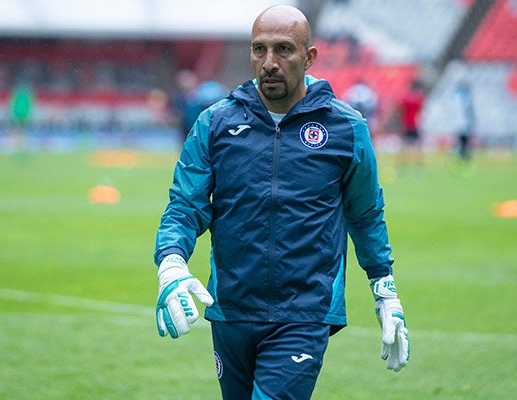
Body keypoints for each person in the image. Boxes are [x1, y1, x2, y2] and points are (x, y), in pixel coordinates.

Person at [154, 5, 410, 399]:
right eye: (260, 49)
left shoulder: (345, 128)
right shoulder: (215, 123)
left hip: (303, 314)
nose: (269, 62)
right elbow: (186, 205)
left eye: (284, 50)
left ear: (309, 57)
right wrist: (170, 261)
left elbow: (365, 214)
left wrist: (385, 290)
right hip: (231, 311)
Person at [397, 78, 425, 170]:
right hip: (415, 124)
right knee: (418, 146)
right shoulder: (419, 99)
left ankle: (402, 166)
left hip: (406, 124)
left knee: (404, 146)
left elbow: (401, 110)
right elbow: (420, 111)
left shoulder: (406, 99)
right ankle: (418, 166)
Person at [451, 80, 475, 162]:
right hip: (463, 122)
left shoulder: (458, 97)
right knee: (463, 140)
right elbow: (468, 110)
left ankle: (463, 155)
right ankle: (463, 155)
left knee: (463, 140)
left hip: (462, 122)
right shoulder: (464, 97)